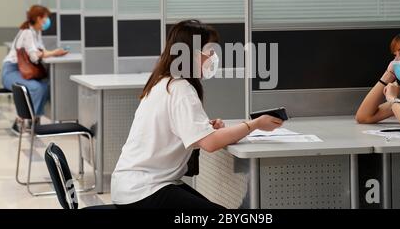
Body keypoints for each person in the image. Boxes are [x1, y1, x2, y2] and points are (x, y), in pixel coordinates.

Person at [111, 20, 284, 209]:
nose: (213, 57)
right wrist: (255, 124)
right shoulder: (179, 88)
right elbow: (210, 143)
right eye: (209, 52)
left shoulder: (164, 82)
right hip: (145, 190)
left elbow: (183, 130)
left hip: (133, 187)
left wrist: (205, 127)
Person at [1, 5, 68, 132]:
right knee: (35, 88)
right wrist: (53, 53)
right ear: (38, 18)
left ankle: (34, 120)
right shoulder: (27, 32)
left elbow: (40, 50)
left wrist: (55, 52)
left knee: (44, 86)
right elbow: (34, 57)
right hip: (10, 72)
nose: (47, 20)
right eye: (46, 17)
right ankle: (20, 121)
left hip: (21, 71)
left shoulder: (36, 32)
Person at [355, 31, 400, 131]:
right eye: (395, 56)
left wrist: (393, 99)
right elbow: (364, 117)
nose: (395, 62)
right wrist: (388, 75)